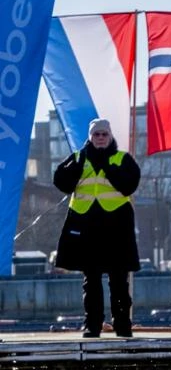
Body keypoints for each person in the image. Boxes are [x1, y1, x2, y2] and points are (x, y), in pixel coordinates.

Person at [53, 118, 141, 338]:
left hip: (116, 228)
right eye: (96, 135)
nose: (100, 138)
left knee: (119, 280)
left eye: (104, 134)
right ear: (90, 137)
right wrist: (77, 164)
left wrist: (107, 168)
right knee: (91, 281)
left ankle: (122, 325)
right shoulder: (78, 158)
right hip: (87, 228)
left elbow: (129, 184)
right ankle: (92, 325)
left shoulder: (123, 159)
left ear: (110, 137)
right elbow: (61, 182)